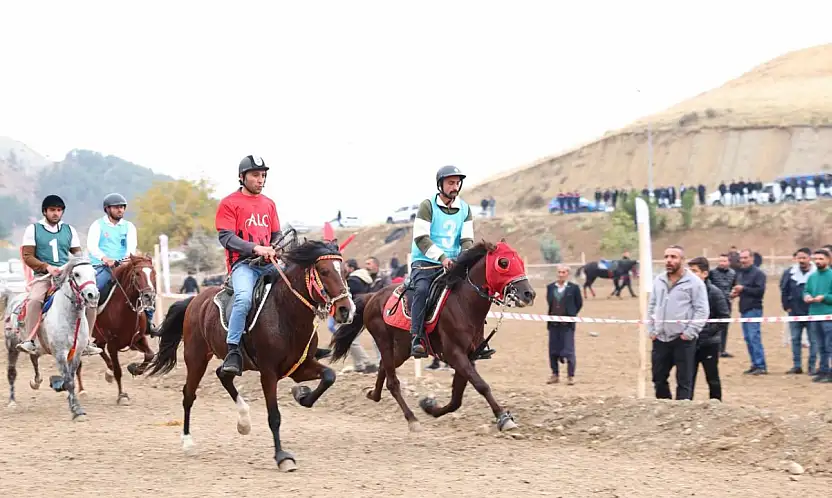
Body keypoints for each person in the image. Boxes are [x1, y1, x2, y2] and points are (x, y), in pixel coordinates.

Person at [215, 155, 281, 376]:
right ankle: (233, 350)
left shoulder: (269, 204)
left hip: (269, 264)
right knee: (243, 299)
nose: (260, 180)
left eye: (263, 175)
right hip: (243, 265)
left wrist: (275, 246)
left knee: (297, 288)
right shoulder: (229, 203)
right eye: (255, 175)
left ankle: (305, 344)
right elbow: (226, 238)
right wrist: (256, 248)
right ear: (242, 177)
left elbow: (276, 234)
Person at [16, 195, 102, 356]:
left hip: (66, 276)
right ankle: (30, 340)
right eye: (52, 210)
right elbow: (28, 256)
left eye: (59, 210)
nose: (56, 213)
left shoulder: (69, 230)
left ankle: (88, 340)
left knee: (91, 299)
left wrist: (79, 265)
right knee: (34, 300)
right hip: (43, 276)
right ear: (45, 211)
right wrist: (46, 267)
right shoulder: (33, 229)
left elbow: (78, 254)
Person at [409, 165, 477, 358]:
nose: (454, 187)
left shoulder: (465, 209)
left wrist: (464, 258)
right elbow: (421, 238)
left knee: (471, 291)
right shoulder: (427, 205)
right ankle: (417, 338)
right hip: (425, 262)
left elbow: (466, 240)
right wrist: (442, 258)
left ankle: (474, 338)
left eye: (457, 183)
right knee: (422, 290)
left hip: (454, 263)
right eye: (450, 183)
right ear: (440, 185)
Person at [86, 192, 158, 336]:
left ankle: (148, 324)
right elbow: (91, 246)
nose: (120, 210)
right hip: (102, 267)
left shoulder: (129, 226)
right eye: (116, 207)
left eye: (122, 207)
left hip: (124, 265)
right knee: (94, 291)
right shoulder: (98, 225)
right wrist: (105, 258)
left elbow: (131, 247)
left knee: (146, 287)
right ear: (107, 209)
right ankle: (89, 327)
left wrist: (126, 259)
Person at [647, 245, 708, 400]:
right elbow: (652, 305)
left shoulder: (694, 283)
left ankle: (682, 414)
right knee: (658, 379)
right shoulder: (659, 280)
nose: (669, 260)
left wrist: (689, 333)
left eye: (673, 257)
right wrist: (652, 330)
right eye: (666, 256)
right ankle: (665, 409)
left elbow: (702, 310)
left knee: (684, 381)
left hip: (683, 340)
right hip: (660, 338)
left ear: (682, 260)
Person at [687, 257, 728, 401]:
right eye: (689, 271)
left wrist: (708, 331)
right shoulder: (686, 291)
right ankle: (686, 404)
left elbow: (724, 317)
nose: (690, 274)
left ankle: (716, 404)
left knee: (712, 377)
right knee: (687, 377)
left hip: (710, 343)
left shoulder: (715, 293)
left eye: (694, 271)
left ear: (704, 273)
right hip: (689, 341)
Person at [780, 248, 816, 374]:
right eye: (799, 258)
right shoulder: (789, 272)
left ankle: (811, 366)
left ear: (809, 258)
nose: (801, 260)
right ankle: (797, 365)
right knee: (795, 339)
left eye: (804, 258)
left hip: (812, 312)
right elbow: (784, 289)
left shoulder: (816, 273)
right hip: (794, 312)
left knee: (813, 340)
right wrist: (786, 306)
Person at [545, 265, 583, 385]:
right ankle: (555, 374)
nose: (561, 274)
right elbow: (549, 302)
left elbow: (579, 303)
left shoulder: (574, 288)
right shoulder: (550, 287)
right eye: (559, 272)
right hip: (553, 325)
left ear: (567, 274)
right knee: (553, 350)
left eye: (563, 272)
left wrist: (571, 314)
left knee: (569, 350)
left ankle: (570, 376)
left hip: (567, 325)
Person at [732, 249, 767, 375]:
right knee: (748, 338)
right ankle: (754, 364)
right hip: (744, 309)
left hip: (754, 309)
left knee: (754, 338)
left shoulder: (759, 274)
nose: (743, 260)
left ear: (752, 258)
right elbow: (742, 290)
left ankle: (761, 365)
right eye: (741, 258)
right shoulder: (741, 273)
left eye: (746, 258)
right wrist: (736, 293)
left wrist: (743, 289)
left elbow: (760, 292)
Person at [804, 249, 832, 383]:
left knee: (829, 345)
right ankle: (823, 370)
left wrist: (825, 297)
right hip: (814, 315)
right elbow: (806, 290)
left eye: (821, 259)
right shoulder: (812, 277)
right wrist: (807, 296)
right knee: (820, 345)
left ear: (828, 260)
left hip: (829, 316)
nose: (818, 261)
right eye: (816, 259)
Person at [708, 254, 736, 358]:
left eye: (724, 261)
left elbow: (734, 286)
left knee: (725, 326)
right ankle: (715, 348)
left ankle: (722, 349)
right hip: (714, 304)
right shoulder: (712, 273)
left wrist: (733, 294)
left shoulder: (733, 273)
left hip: (727, 304)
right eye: (720, 261)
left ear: (728, 262)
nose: (722, 263)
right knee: (714, 326)